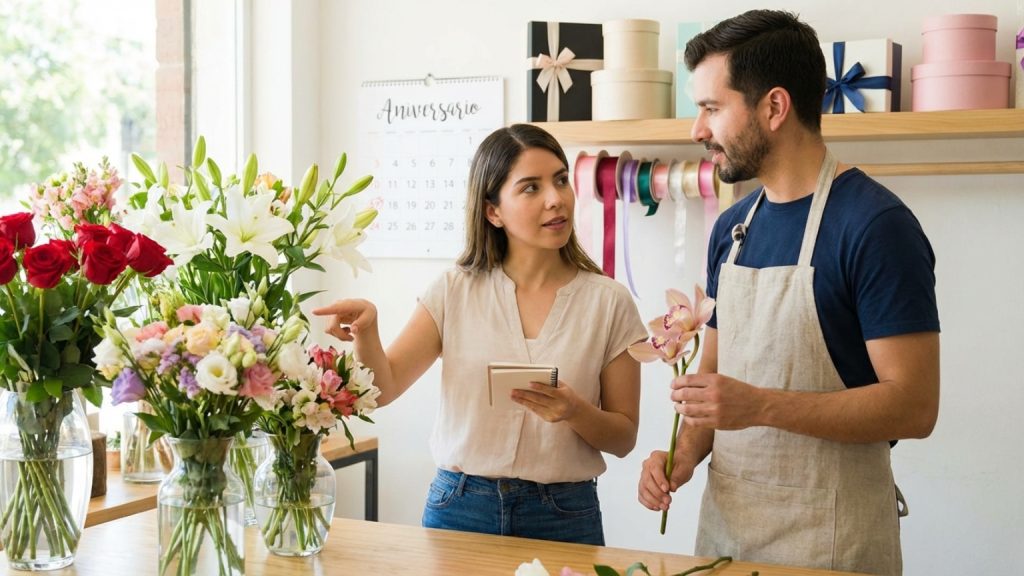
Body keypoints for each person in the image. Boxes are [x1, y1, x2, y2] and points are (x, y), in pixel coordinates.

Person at [636, 10, 940, 575]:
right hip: (727, 542)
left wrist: (764, 406)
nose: (697, 131)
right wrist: (679, 456)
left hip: (833, 546)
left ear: (774, 107)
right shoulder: (733, 230)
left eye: (710, 108)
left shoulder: (875, 226)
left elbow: (915, 407)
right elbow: (717, 385)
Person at [315, 124, 647, 545]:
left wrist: (574, 411)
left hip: (565, 515)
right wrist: (368, 332)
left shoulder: (610, 302)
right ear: (493, 211)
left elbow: (624, 438)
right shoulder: (454, 289)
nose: (555, 198)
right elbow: (383, 387)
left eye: (561, 180)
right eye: (531, 188)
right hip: (460, 506)